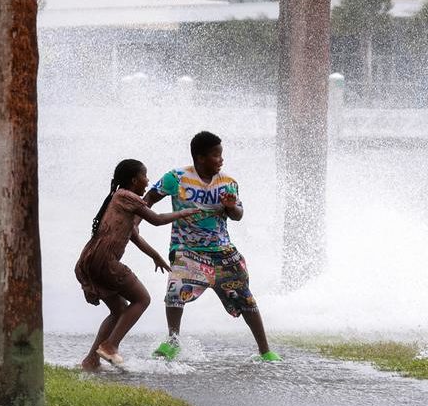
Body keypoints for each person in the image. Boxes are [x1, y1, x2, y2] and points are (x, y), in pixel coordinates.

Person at [145, 131, 281, 362]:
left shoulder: (228, 183)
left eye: (221, 155)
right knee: (175, 289)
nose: (221, 159)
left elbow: (238, 215)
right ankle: (173, 341)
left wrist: (230, 207)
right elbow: (147, 200)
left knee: (246, 299)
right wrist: (134, 223)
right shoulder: (176, 178)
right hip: (187, 249)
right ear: (200, 158)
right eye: (216, 155)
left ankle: (265, 351)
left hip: (222, 251)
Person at [76, 159, 202, 369]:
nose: (148, 180)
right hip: (105, 261)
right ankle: (110, 346)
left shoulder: (117, 199)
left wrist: (155, 256)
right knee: (142, 299)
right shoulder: (128, 197)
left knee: (118, 310)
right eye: (145, 176)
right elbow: (157, 219)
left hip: (89, 260)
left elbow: (134, 236)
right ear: (134, 180)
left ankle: (91, 359)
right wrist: (183, 213)